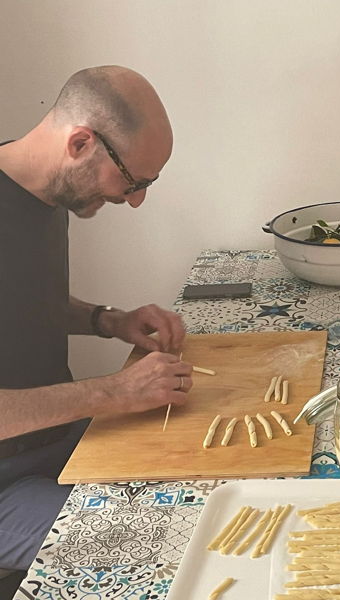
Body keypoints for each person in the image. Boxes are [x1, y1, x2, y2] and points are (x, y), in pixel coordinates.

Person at [0, 66, 194, 584]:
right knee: (176, 534)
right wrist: (113, 392)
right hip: (5, 487)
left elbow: (19, 301)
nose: (135, 200)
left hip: (59, 439)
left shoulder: (49, 193)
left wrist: (106, 320)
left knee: (210, 471)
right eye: (133, 182)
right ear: (82, 142)